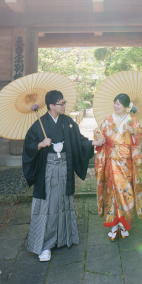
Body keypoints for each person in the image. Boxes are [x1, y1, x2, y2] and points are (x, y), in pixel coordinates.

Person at [22, 90, 104, 261]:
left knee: (64, 202)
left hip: (64, 168)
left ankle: (64, 237)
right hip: (48, 170)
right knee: (49, 205)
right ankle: (45, 245)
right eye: (61, 103)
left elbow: (78, 140)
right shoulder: (39, 124)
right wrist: (40, 144)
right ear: (51, 106)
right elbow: (28, 146)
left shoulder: (67, 122)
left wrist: (92, 143)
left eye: (64, 102)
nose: (64, 105)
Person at [94, 93, 142, 241]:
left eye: (119, 104)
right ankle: (113, 225)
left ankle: (124, 224)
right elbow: (99, 132)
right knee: (111, 192)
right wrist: (99, 139)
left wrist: (134, 132)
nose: (115, 106)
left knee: (127, 192)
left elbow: (141, 135)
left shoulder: (133, 120)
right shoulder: (108, 120)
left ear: (126, 106)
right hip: (111, 160)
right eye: (114, 103)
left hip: (126, 162)